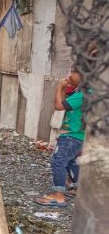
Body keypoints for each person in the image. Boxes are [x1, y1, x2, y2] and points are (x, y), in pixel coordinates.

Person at [35, 70, 85, 207]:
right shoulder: (82, 91)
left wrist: (58, 87)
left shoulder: (83, 94)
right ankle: (77, 188)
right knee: (72, 162)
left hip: (72, 135)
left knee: (58, 161)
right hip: (77, 135)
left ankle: (58, 195)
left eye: (74, 71)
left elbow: (58, 106)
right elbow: (64, 104)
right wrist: (63, 88)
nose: (69, 74)